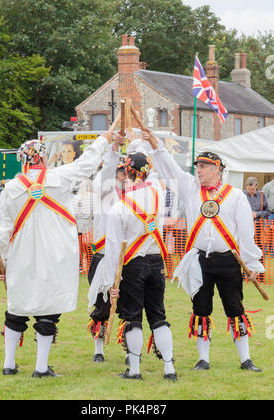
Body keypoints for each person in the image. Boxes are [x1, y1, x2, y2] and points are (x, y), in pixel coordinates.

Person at [142, 130, 265, 373]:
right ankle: (203, 359)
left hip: (230, 259)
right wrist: (155, 144)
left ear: (217, 169)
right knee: (201, 309)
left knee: (235, 308)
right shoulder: (189, 188)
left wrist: (253, 264)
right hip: (199, 260)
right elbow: (169, 169)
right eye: (197, 165)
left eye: (204, 166)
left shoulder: (234, 196)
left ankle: (246, 359)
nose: (198, 170)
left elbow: (246, 232)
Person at [0, 133, 112, 378]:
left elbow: (0, 233)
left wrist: (0, 264)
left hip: (21, 256)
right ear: (44, 157)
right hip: (56, 254)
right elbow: (87, 163)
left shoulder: (11, 188)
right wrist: (104, 139)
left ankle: (8, 364)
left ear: (20, 160)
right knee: (48, 309)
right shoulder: (60, 176)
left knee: (17, 306)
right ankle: (40, 367)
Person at [88, 150, 177, 382]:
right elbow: (155, 176)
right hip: (157, 262)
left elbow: (114, 249)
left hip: (133, 265)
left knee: (133, 318)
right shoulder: (158, 194)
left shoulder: (120, 207)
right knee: (158, 315)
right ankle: (169, 369)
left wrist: (110, 283)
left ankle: (135, 370)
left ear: (128, 172)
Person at [87, 132, 126, 363]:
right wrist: (114, 150)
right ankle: (98, 349)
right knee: (101, 305)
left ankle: (131, 349)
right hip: (103, 257)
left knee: (129, 306)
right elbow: (106, 173)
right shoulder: (103, 191)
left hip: (128, 258)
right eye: (118, 171)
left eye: (124, 171)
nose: (122, 175)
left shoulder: (133, 195)